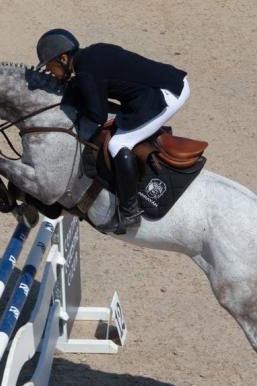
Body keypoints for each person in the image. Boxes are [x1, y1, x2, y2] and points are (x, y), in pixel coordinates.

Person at [36, 29, 190, 233]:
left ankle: (130, 213)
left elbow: (98, 116)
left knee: (119, 144)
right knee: (120, 131)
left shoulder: (86, 73)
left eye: (50, 66)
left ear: (63, 58)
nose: (50, 72)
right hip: (165, 83)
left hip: (167, 94)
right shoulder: (91, 55)